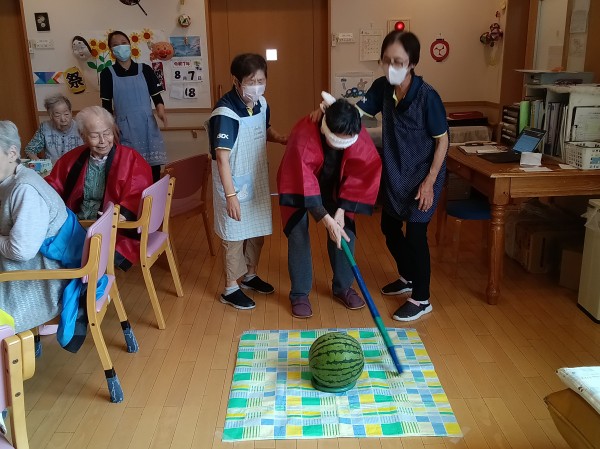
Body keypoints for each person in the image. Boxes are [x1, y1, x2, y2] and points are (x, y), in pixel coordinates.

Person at [355, 31, 449, 322]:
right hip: (397, 171)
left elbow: (443, 141)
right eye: (386, 61)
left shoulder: (428, 97)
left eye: (398, 61)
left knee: (416, 234)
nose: (391, 67)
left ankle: (421, 298)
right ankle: (408, 276)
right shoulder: (382, 87)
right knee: (389, 227)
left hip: (424, 174)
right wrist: (329, 113)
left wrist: (430, 181)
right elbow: (358, 113)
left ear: (412, 63)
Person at [278, 96, 382, 318]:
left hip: (337, 185)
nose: (342, 144)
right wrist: (327, 220)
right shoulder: (303, 134)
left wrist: (341, 211)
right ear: (327, 128)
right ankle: (299, 294)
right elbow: (303, 182)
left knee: (345, 232)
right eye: (337, 140)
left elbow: (362, 172)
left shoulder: (356, 131)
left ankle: (343, 287)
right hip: (299, 184)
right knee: (298, 233)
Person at [209, 53, 287, 310]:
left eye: (261, 81)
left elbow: (264, 129)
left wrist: (282, 138)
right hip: (232, 180)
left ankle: (250, 276)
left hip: (256, 177)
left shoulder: (261, 103)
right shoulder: (225, 112)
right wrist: (230, 196)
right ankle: (230, 288)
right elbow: (222, 158)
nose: (256, 86)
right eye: (250, 82)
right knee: (233, 235)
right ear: (236, 81)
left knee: (256, 230)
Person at [45, 106, 153, 271]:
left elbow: (137, 192)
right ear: (83, 136)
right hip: (74, 221)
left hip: (110, 227)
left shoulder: (131, 159)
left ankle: (85, 279)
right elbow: (52, 187)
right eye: (95, 136)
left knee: (63, 252)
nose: (103, 141)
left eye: (107, 133)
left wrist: (123, 213)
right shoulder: (71, 159)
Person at [0, 121, 79, 333]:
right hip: (36, 266)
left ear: (12, 153)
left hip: (45, 281)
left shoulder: (25, 189)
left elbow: (20, 251)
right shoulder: (16, 177)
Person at [100, 30, 166, 182]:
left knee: (153, 171)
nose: (120, 47)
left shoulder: (145, 70)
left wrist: (161, 111)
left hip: (147, 125)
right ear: (111, 50)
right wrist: (110, 126)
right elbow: (106, 105)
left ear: (130, 45)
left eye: (123, 43)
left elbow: (157, 96)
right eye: (115, 45)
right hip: (124, 128)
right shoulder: (107, 73)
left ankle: (153, 196)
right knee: (129, 171)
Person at [25, 94, 83, 164]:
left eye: (66, 114)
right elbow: (30, 150)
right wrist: (39, 164)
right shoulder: (45, 128)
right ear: (51, 116)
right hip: (52, 168)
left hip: (76, 168)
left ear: (71, 113)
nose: (63, 119)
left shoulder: (81, 127)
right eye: (57, 115)